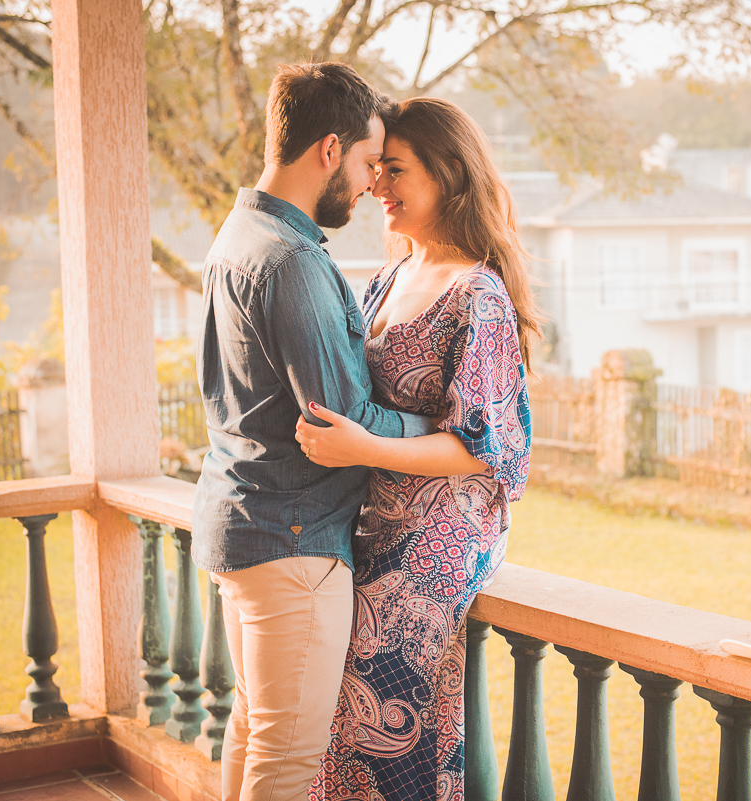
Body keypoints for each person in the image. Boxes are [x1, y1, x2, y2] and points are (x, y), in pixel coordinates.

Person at [191, 63, 432, 801]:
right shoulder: (291, 259)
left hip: (243, 524)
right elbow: (343, 419)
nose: (368, 185)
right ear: (329, 150)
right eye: (365, 163)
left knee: (256, 732)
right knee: (287, 760)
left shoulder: (241, 231)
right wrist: (437, 423)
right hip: (294, 545)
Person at [293, 97, 538, 801]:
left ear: (449, 173)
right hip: (368, 519)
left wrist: (364, 445)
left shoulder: (476, 292)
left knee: (385, 719)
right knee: (333, 720)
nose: (375, 187)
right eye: (375, 170)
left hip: (440, 533)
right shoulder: (388, 277)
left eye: (393, 170)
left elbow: (481, 448)